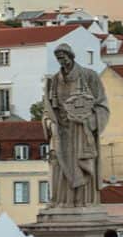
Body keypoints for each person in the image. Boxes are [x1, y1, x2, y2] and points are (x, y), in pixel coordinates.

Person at [43, 44, 109, 208]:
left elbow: (102, 106)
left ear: (71, 56)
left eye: (63, 56)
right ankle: (61, 201)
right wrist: (49, 123)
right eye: (58, 58)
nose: (61, 60)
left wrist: (88, 120)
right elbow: (47, 110)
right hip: (61, 130)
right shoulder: (53, 81)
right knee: (58, 164)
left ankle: (83, 201)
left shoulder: (89, 76)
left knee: (83, 163)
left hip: (81, 130)